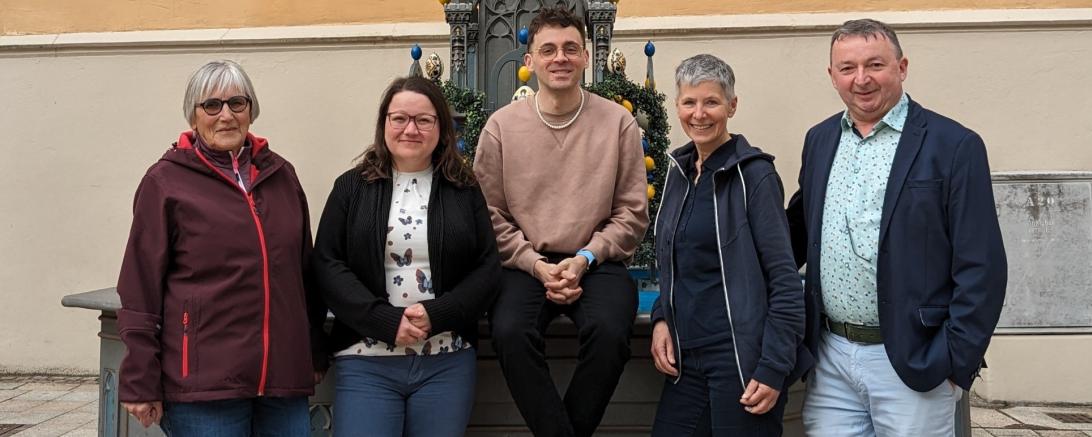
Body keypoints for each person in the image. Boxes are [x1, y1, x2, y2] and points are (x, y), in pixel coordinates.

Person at [786, 19, 1008, 436]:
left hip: (913, 360)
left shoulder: (954, 145)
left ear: (902, 67)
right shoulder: (820, 140)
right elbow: (795, 234)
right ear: (832, 76)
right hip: (831, 357)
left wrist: (954, 361)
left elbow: (983, 267)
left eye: (875, 65)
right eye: (847, 68)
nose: (862, 79)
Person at [115, 60, 328, 436]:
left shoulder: (281, 176)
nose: (226, 115)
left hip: (281, 381)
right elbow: (139, 289)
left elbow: (304, 274)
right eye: (211, 105)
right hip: (203, 387)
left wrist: (311, 350)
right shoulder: (165, 183)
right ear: (193, 116)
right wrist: (140, 380)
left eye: (237, 103)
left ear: (251, 110)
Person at [472, 6, 649, 437]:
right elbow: (488, 213)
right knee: (510, 330)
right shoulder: (501, 127)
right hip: (524, 264)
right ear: (529, 61)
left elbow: (632, 211)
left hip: (596, 260)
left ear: (586, 56)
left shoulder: (618, 123)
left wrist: (587, 257)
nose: (560, 58)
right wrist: (534, 263)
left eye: (571, 48)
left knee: (610, 332)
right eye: (548, 49)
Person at [312, 76, 501, 437]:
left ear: (440, 128)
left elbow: (488, 268)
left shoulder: (463, 188)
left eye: (423, 120)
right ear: (384, 124)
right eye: (399, 119)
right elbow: (328, 264)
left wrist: (436, 314)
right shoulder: (351, 187)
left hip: (446, 358)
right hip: (366, 358)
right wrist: (385, 321)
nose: (410, 129)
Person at [648, 54, 812, 436]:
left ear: (732, 106)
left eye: (711, 102)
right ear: (677, 106)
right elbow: (675, 263)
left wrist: (773, 368)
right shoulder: (678, 172)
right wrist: (661, 317)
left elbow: (784, 280)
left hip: (739, 360)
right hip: (686, 361)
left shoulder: (754, 176)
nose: (699, 114)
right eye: (689, 102)